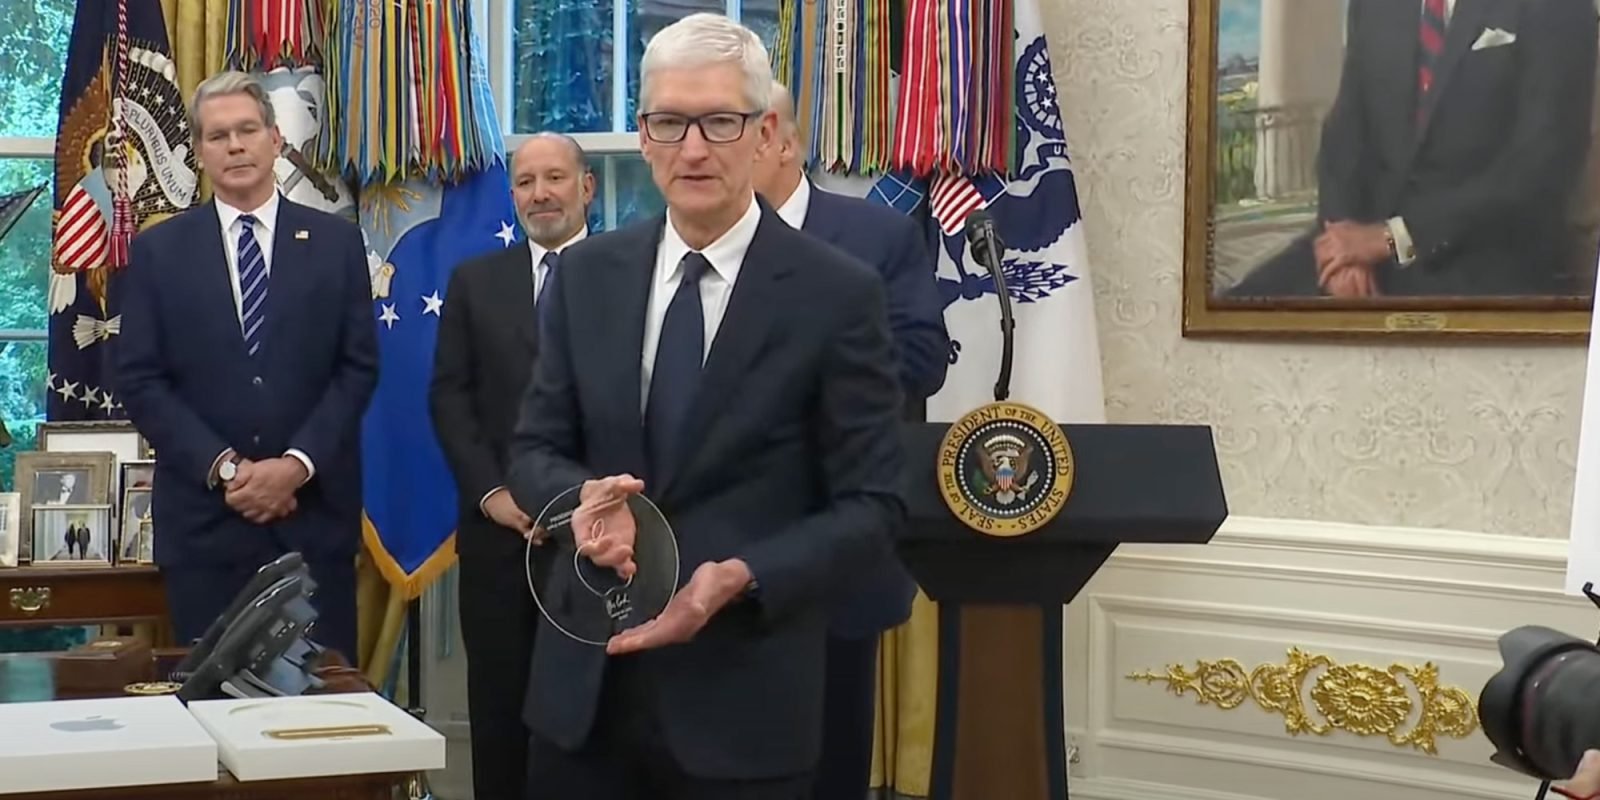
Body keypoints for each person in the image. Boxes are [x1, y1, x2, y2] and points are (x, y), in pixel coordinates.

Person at [505, 13, 906, 799]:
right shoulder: (586, 277)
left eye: (720, 122)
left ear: (764, 135)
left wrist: (744, 577)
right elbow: (532, 451)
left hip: (745, 703)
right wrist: (582, 501)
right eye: (669, 123)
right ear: (643, 136)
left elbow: (874, 505)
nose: (693, 148)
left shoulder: (838, 294)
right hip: (585, 703)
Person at [115, 70, 378, 659]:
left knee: (319, 702)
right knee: (215, 699)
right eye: (217, 136)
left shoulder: (336, 244)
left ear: (275, 139)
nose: (234, 146)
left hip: (312, 522)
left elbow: (357, 368)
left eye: (247, 130)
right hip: (205, 530)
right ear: (199, 152)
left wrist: (294, 466)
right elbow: (140, 378)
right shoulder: (159, 251)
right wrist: (229, 470)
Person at [751, 79, 946, 800]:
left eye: (732, 127)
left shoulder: (876, 237)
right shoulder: (682, 242)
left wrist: (797, 374)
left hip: (835, 548)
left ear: (782, 140)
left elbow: (922, 359)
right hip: (709, 552)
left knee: (830, 767)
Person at [429, 132, 595, 800]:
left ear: (586, 187)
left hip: (597, 542)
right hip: (498, 540)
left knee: (592, 724)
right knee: (500, 718)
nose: (540, 194)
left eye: (555, 178)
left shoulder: (628, 272)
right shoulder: (475, 281)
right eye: (525, 182)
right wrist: (492, 494)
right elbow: (449, 397)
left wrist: (589, 503)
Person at [1228, 0, 1597, 298]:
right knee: (1232, 315)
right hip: (1365, 252)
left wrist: (1394, 238)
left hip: (1481, 255)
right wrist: (1343, 253)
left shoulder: (1557, 6)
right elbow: (1344, 137)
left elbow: (1541, 164)